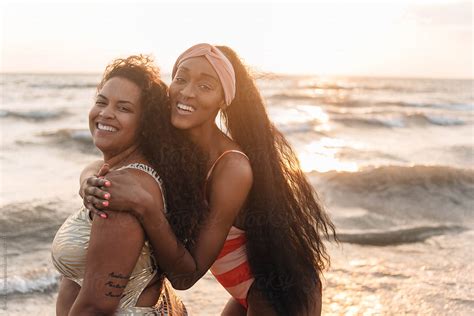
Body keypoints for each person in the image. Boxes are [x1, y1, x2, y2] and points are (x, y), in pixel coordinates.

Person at [81, 44, 337, 315]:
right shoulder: (171, 142)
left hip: (281, 293)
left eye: (205, 86)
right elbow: (114, 161)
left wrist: (146, 208)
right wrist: (89, 180)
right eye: (181, 78)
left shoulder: (231, 168)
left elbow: (185, 278)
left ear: (223, 99)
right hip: (244, 291)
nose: (187, 92)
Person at [51, 55, 206, 315]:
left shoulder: (120, 194)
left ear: (145, 124)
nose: (105, 113)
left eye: (123, 108)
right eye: (101, 102)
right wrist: (86, 177)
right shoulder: (139, 173)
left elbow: (96, 306)